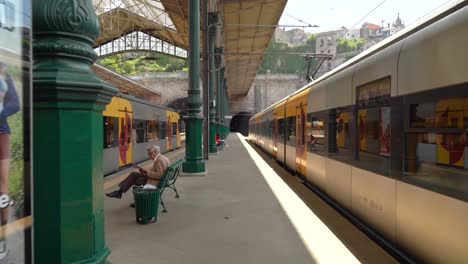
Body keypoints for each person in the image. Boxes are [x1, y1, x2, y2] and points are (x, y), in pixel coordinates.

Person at [106, 145, 170, 207]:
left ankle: (123, 194)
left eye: (150, 154)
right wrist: (144, 171)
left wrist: (147, 172)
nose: (149, 156)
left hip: (155, 182)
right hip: (155, 179)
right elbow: (157, 172)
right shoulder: (161, 157)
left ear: (156, 152)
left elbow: (159, 175)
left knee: (135, 179)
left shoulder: (159, 160)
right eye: (149, 154)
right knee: (134, 174)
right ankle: (119, 192)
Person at [0, 62, 20, 260]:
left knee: (3, 188)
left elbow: (14, 104)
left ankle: (2, 240)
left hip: (1, 133)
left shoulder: (4, 72)